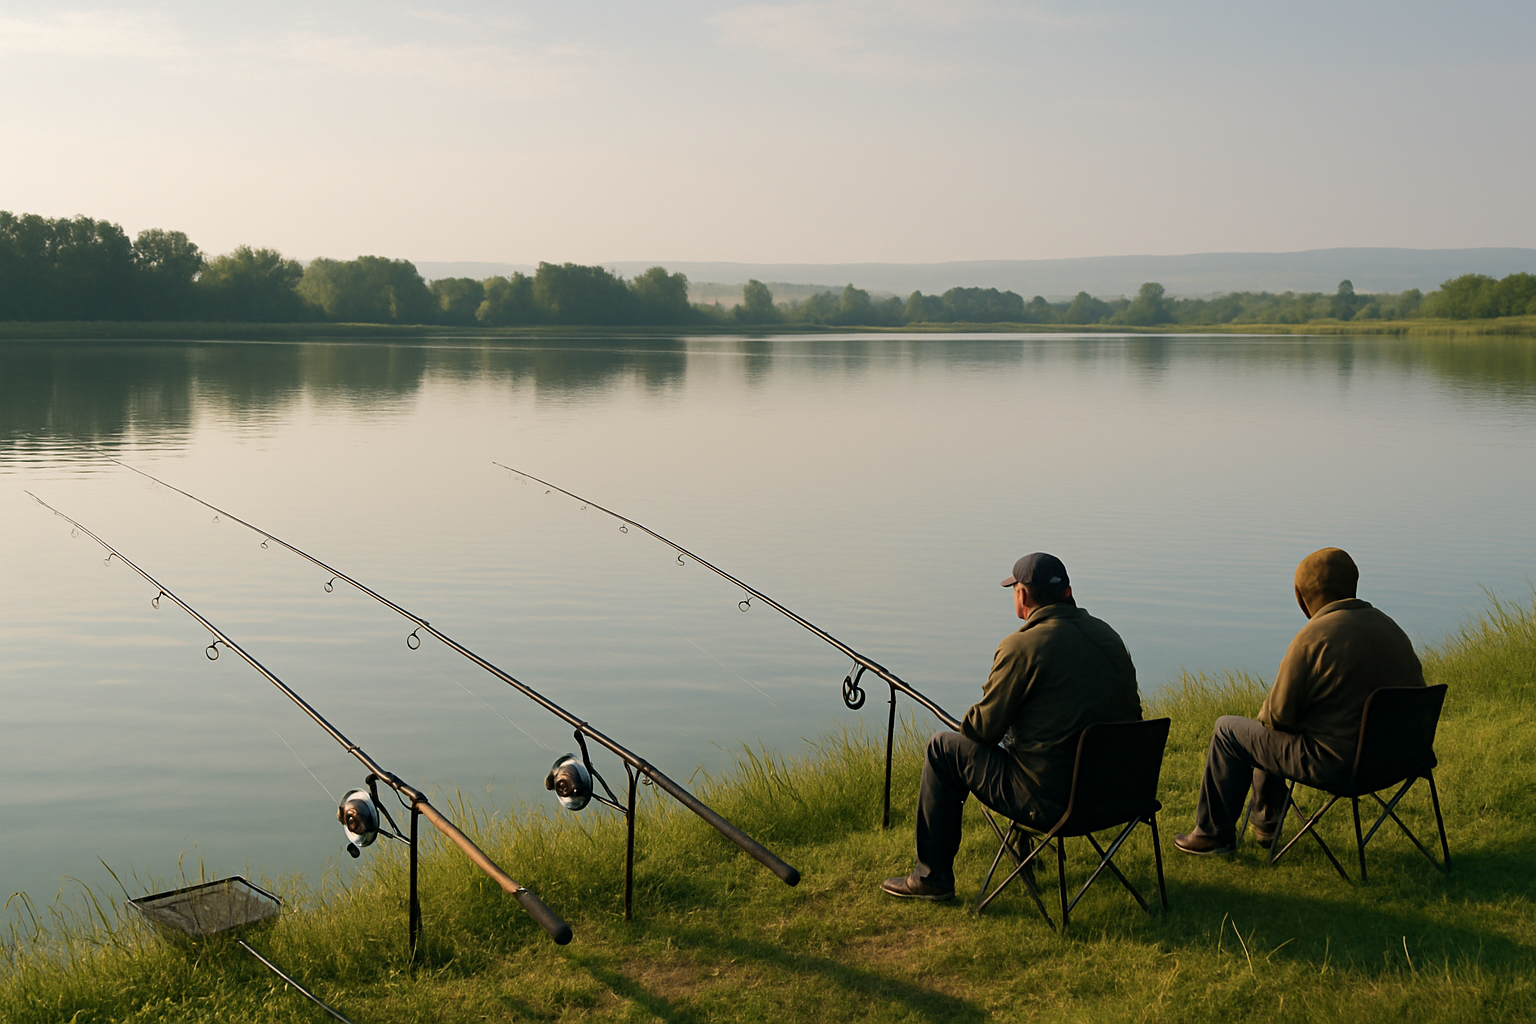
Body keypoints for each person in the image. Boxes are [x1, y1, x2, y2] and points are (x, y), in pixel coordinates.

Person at [881, 552, 1143, 901]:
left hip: (1054, 804)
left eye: (1014, 588)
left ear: (1022, 596)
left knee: (943, 748)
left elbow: (982, 730)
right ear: (1067, 591)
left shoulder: (1021, 646)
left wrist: (977, 720)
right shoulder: (1108, 635)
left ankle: (932, 878)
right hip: (1124, 794)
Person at [1173, 547, 1424, 855]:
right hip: (1405, 758)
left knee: (1230, 730)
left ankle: (1214, 834)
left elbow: (1275, 718)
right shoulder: (1391, 628)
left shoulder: (1314, 636)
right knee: (1274, 733)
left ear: (1301, 596)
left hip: (1340, 766)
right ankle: (1265, 825)